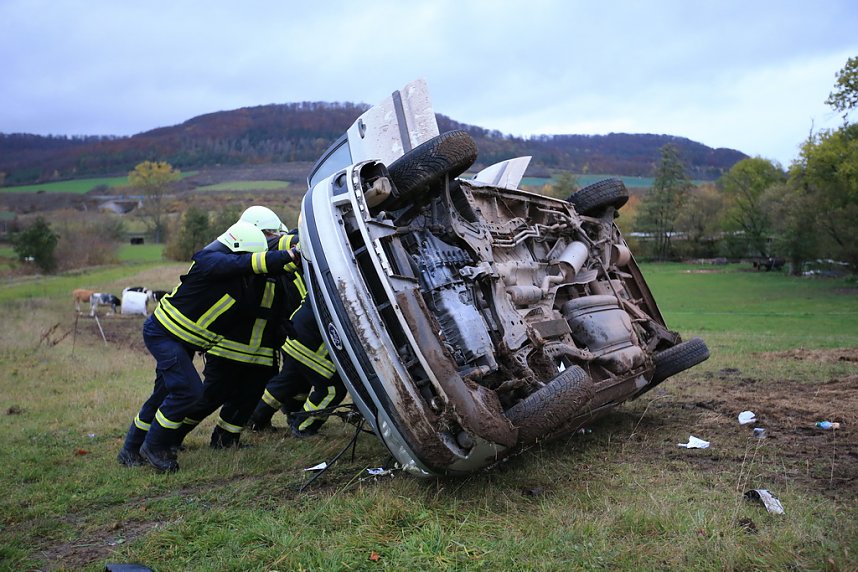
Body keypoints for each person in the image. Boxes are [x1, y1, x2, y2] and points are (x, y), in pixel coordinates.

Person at [117, 216, 300, 473]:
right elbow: (247, 263)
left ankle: (129, 450)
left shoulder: (235, 276)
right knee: (188, 390)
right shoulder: (209, 261)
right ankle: (155, 445)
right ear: (239, 250)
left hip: (182, 341)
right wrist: (290, 254)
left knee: (162, 394)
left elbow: (257, 284)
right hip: (164, 335)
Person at [173, 227, 305, 450]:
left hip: (262, 353)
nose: (274, 239)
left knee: (247, 398)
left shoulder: (275, 268)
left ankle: (226, 440)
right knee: (210, 397)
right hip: (228, 350)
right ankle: (170, 437)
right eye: (272, 235)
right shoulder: (237, 265)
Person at [248, 298, 348, 438]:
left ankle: (255, 419)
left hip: (294, 335)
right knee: (332, 389)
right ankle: (304, 428)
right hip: (313, 345)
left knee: (290, 381)